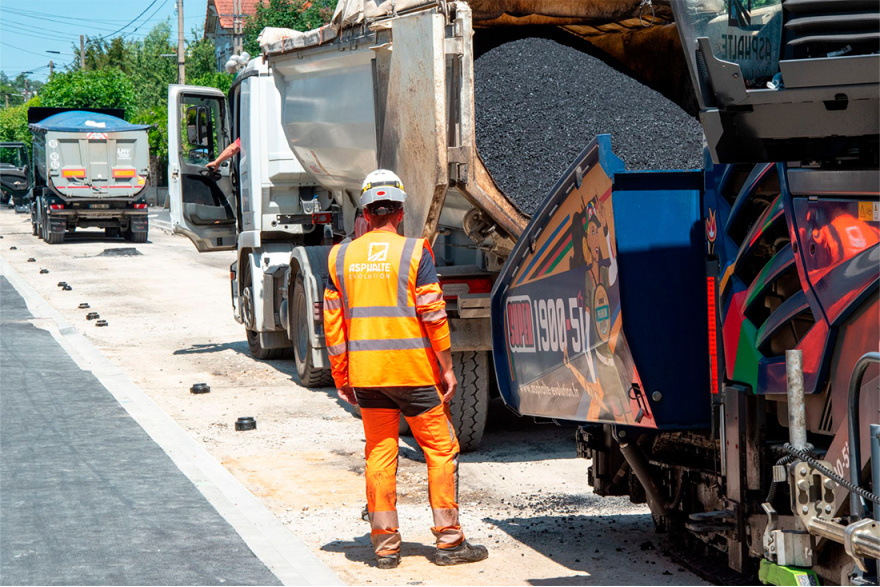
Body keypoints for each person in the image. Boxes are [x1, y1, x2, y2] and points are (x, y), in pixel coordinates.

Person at [323, 169, 489, 570]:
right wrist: (447, 368)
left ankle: (385, 548)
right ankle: (449, 542)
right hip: (414, 375)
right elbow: (433, 314)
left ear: (365, 213)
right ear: (400, 212)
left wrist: (342, 375)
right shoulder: (415, 252)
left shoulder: (340, 257)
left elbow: (333, 325)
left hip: (368, 377)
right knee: (440, 450)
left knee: (380, 454)